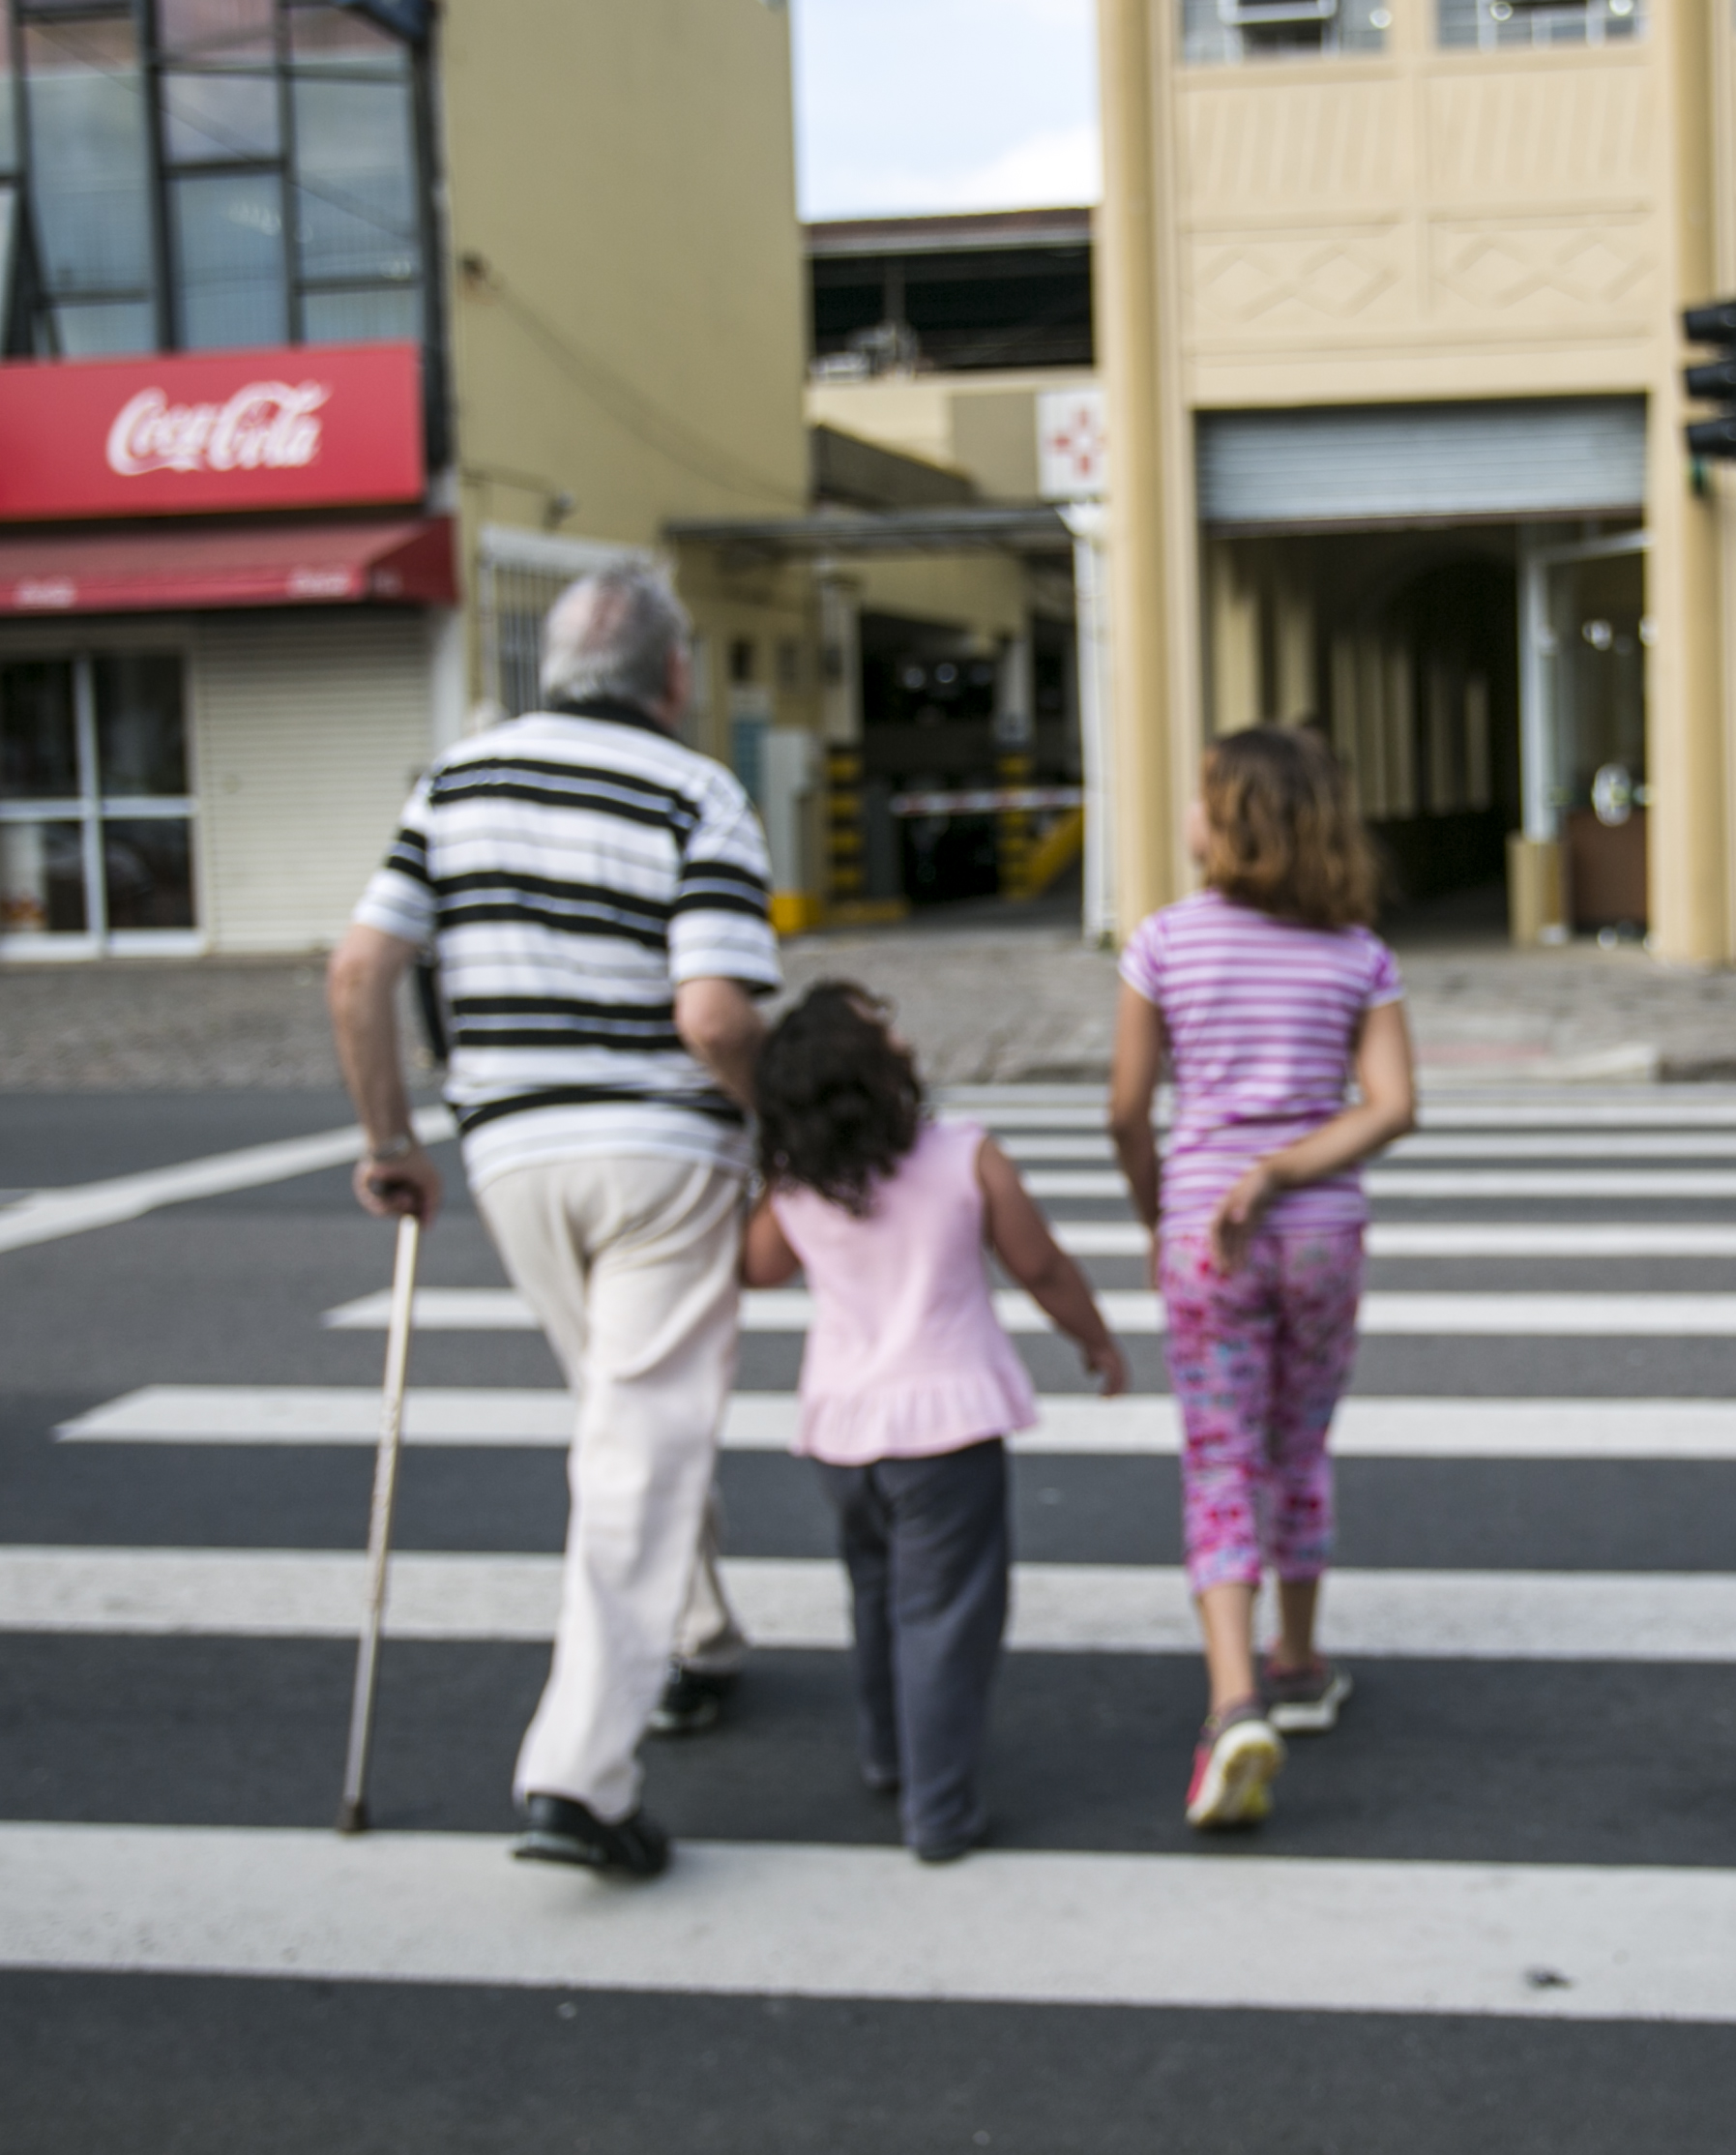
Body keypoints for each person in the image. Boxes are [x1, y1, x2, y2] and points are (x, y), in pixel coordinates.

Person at [328, 566, 776, 1880]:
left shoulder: (456, 778)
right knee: (642, 1434)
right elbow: (715, 1015)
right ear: (673, 675)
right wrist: (781, 1128)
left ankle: (691, 1637)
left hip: (513, 1150)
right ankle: (578, 1776)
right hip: (659, 1149)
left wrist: (389, 1141)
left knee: (621, 1414)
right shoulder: (698, 791)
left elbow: (361, 969)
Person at [740, 982, 1130, 1862]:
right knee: (946, 1617)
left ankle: (888, 1755)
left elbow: (756, 1269)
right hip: (947, 1427)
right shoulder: (963, 1154)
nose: (906, 1039)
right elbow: (1040, 1264)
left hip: (842, 1433)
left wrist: (777, 1175)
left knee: (876, 1598)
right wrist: (1095, 1340)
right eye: (888, 1032)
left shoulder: (800, 1183)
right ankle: (940, 1810)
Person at [1108, 725, 1417, 1830]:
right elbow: (1392, 1106)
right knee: (1299, 1440)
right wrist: (1285, 1166)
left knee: (1220, 1452)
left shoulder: (1162, 944)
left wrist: (1169, 1211)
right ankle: (1298, 1654)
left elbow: (1126, 1112)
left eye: (1201, 797)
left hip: (1207, 1233)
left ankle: (1234, 1700)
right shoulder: (1357, 952)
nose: (1187, 816)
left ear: (1236, 819)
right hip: (1324, 1229)